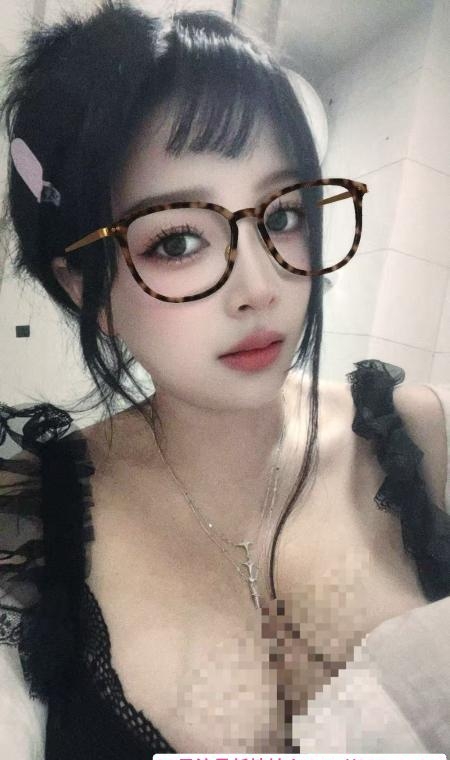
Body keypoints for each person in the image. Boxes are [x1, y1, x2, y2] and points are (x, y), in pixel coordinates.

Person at [0, 1, 449, 756]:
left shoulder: (424, 438)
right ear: (84, 287)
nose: (260, 287)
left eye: (282, 216)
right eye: (178, 240)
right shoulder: (25, 529)